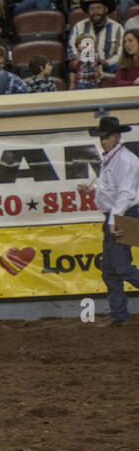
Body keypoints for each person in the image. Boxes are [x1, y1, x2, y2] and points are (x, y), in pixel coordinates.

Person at [77, 116, 139, 326]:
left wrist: (114, 220)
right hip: (119, 214)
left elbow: (126, 194)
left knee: (120, 268)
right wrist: (93, 189)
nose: (103, 141)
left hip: (124, 214)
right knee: (111, 270)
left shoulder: (126, 160)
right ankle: (119, 317)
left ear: (117, 137)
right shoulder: (113, 158)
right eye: (101, 137)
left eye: (107, 137)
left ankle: (119, 316)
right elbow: (113, 189)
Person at [67, 0, 122, 77]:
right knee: (73, 64)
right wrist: (84, 61)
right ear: (88, 11)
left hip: (109, 66)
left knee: (121, 66)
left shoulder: (117, 28)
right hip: (83, 65)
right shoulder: (79, 26)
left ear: (106, 9)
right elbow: (71, 49)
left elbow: (121, 53)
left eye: (99, 8)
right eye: (92, 9)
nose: (95, 12)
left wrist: (106, 63)